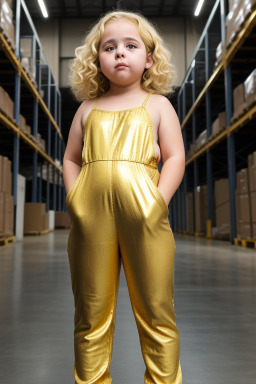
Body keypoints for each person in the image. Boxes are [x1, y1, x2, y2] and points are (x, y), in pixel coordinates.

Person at [63, 9, 185, 384]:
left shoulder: (158, 105)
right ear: (96, 60)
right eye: (109, 47)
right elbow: (70, 158)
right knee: (91, 312)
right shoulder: (87, 109)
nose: (119, 53)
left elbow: (176, 156)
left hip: (145, 216)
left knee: (156, 311)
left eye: (130, 46)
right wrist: (76, 200)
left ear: (148, 58)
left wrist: (157, 201)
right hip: (91, 219)